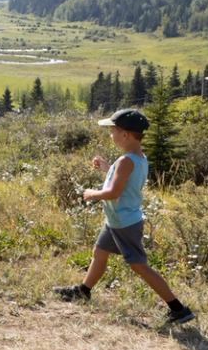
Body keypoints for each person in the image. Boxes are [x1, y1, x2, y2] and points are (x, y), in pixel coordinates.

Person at [52, 107, 195, 326]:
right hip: (119, 220)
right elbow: (123, 180)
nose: (111, 135)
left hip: (124, 223)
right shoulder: (137, 158)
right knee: (99, 252)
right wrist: (108, 168)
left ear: (125, 135)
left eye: (113, 130)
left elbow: (114, 192)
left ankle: (178, 308)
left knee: (139, 265)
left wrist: (92, 194)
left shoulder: (126, 161)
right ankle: (83, 291)